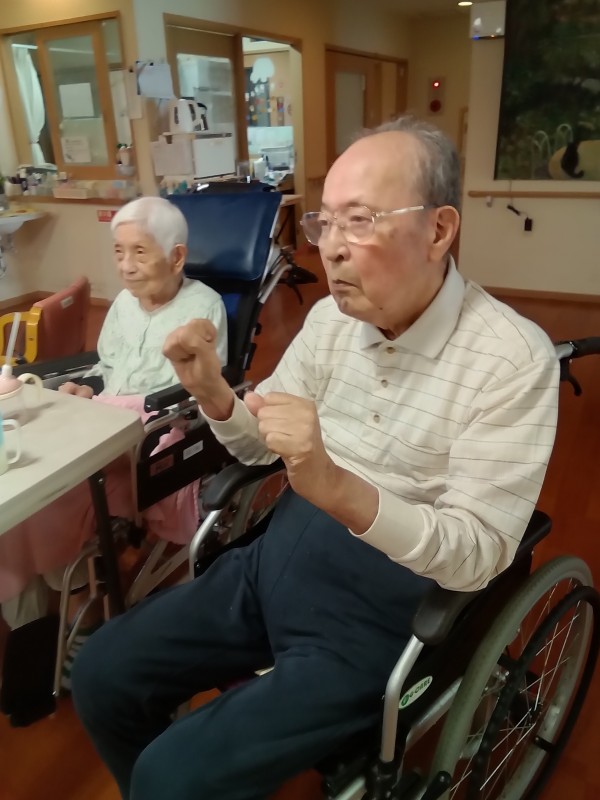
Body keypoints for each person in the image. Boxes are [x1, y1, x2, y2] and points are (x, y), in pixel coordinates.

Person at [71, 117, 559, 800]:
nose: (329, 247)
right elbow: (258, 445)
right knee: (102, 671)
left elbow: (478, 553)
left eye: (359, 221)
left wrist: (334, 485)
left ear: (439, 230)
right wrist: (213, 391)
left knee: (171, 778)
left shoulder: (511, 359)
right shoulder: (331, 323)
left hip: (385, 612)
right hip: (280, 558)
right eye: (324, 223)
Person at [0, 195, 228, 632]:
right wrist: (86, 387)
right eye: (119, 252)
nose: (125, 266)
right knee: (24, 475)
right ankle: (36, 610)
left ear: (177, 257)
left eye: (139, 252)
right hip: (101, 417)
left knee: (53, 491)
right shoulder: (123, 304)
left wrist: (116, 408)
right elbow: (107, 367)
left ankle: (74, 595)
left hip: (153, 431)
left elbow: (198, 390)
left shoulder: (204, 307)